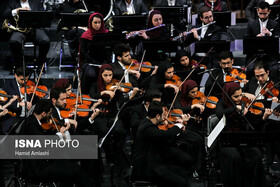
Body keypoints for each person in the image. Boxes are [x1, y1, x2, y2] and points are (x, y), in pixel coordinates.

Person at [19, 99, 95, 187]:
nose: (51, 116)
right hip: (37, 168)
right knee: (75, 171)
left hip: (44, 160)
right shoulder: (31, 125)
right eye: (49, 113)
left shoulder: (33, 120)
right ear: (43, 113)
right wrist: (60, 134)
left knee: (71, 168)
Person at [216, 82, 270, 187]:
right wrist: (235, 108)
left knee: (256, 155)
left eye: (241, 95)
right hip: (227, 138)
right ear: (228, 95)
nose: (240, 98)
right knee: (235, 157)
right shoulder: (222, 103)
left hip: (241, 136)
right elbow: (219, 113)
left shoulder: (244, 103)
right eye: (236, 96)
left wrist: (264, 117)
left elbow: (254, 122)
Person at [133, 101, 192, 187]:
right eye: (163, 115)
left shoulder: (148, 123)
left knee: (182, 173)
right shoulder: (148, 128)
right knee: (181, 183)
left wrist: (177, 128)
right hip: (147, 168)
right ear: (157, 116)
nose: (165, 118)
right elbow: (165, 135)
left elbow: (164, 139)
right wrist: (178, 126)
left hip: (155, 163)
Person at [3, 0, 50, 68]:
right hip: (19, 30)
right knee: (13, 41)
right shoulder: (12, 2)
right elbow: (5, 14)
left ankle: (40, 63)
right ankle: (20, 66)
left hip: (34, 29)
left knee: (46, 41)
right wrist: (17, 10)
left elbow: (42, 14)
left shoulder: (36, 1)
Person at [79, 12, 111, 94]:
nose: (97, 25)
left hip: (104, 61)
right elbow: (84, 53)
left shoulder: (107, 34)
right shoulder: (85, 36)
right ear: (90, 23)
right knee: (91, 74)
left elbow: (109, 51)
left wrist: (104, 63)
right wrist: (96, 64)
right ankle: (87, 94)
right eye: (95, 23)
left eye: (99, 22)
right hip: (90, 62)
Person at [1, 67, 34, 134]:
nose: (24, 82)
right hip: (13, 117)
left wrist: (32, 106)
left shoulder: (30, 85)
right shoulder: (8, 85)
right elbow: (4, 102)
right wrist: (18, 104)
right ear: (16, 75)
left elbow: (35, 100)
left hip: (28, 117)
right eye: (22, 79)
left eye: (26, 79)